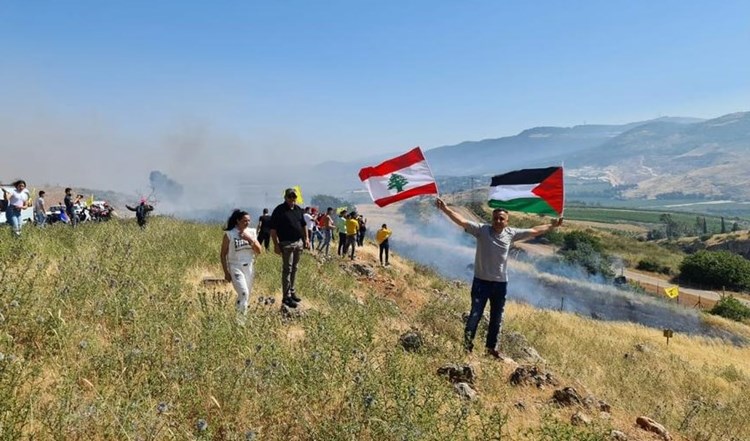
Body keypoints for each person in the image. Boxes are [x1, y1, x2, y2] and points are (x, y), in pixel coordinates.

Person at [435, 197, 563, 358]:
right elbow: (461, 221)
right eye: (495, 218)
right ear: (492, 219)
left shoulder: (512, 234)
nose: (497, 221)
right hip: (481, 282)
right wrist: (445, 209)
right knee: (475, 315)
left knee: (497, 318)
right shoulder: (482, 230)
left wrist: (552, 225)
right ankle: (466, 347)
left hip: (500, 284)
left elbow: (534, 231)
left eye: (501, 218)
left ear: (507, 221)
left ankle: (491, 349)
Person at [270, 188, 309, 308]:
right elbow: (273, 229)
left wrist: (306, 239)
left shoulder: (298, 209)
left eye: (294, 197)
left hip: (298, 242)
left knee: (295, 268)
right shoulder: (279, 210)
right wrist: (276, 245)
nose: (292, 199)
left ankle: (292, 292)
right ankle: (286, 297)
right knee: (287, 269)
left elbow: (303, 225)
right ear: (285, 197)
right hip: (286, 243)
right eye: (290, 197)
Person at [220, 209, 263, 315]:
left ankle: (239, 315)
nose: (247, 223)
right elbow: (223, 254)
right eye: (244, 220)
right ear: (237, 221)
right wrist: (226, 272)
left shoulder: (252, 232)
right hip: (235, 266)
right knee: (243, 292)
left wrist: (249, 239)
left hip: (249, 266)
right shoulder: (229, 234)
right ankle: (241, 322)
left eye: (248, 220)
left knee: (246, 295)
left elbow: (259, 251)